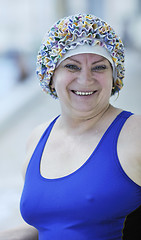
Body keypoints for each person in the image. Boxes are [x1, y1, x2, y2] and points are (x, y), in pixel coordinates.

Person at [1, 13, 141, 240]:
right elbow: (55, 225)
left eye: (99, 67)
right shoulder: (38, 138)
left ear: (114, 75)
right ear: (51, 73)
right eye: (72, 67)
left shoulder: (135, 133)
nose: (86, 79)